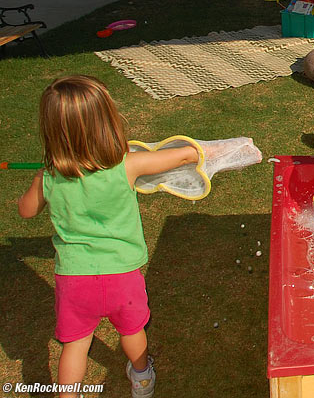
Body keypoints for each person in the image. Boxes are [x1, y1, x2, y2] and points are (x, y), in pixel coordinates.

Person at [18, 75, 201, 398]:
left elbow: (26, 211)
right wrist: (196, 151)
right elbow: (185, 156)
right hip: (122, 277)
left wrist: (41, 180)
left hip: (74, 279)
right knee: (131, 331)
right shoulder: (126, 165)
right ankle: (142, 377)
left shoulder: (48, 177)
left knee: (75, 345)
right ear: (106, 123)